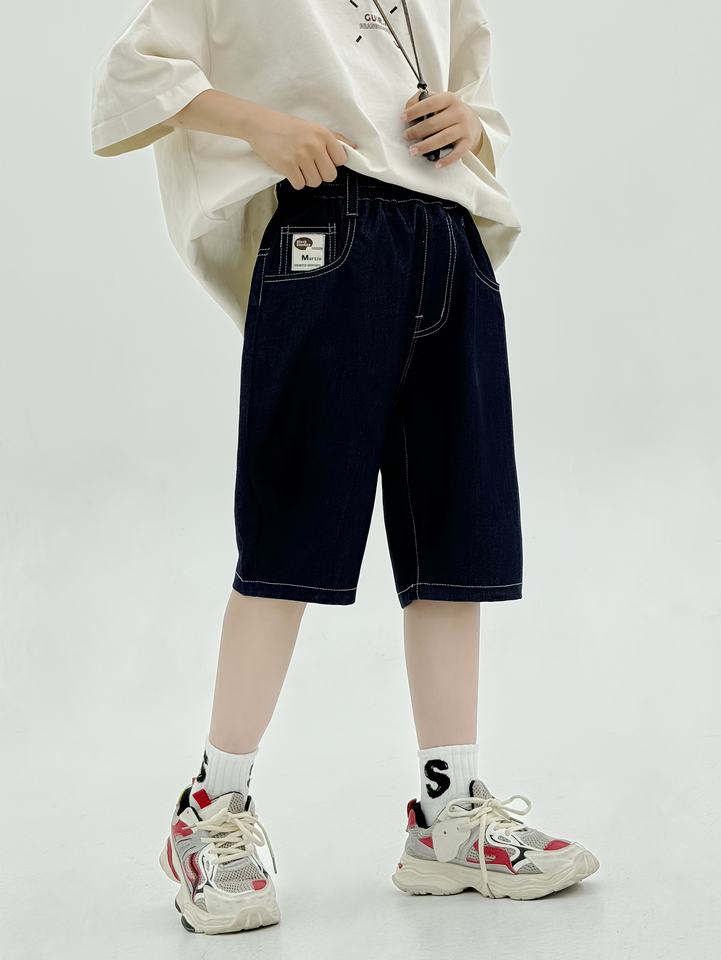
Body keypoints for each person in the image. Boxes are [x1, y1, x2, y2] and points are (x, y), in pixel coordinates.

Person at [91, 0, 598, 936]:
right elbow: (138, 72)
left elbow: (475, 91)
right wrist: (265, 127)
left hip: (450, 237)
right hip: (327, 233)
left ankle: (448, 817)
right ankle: (211, 809)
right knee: (288, 538)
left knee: (454, 543)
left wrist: (470, 121)